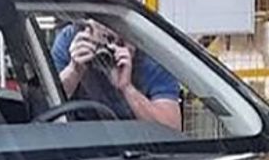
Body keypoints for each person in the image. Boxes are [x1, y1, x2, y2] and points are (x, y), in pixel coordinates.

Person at [49, 18, 183, 129]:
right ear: (88, 28)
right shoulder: (72, 41)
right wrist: (74, 70)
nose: (109, 47)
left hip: (138, 145)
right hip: (79, 141)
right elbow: (45, 109)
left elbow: (171, 128)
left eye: (119, 37)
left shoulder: (154, 56)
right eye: (104, 37)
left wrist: (127, 88)